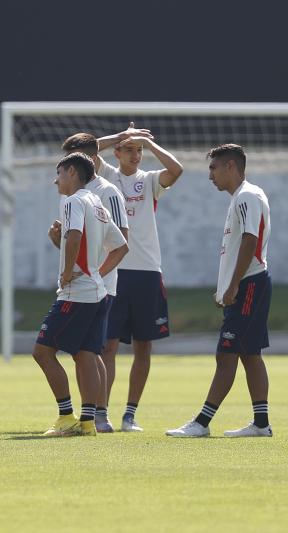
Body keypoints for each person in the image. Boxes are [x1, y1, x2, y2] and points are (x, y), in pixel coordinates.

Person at [167, 144, 272, 438]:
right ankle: (261, 424)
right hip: (249, 284)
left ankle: (201, 422)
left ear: (230, 166)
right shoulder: (242, 197)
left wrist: (235, 284)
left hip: (249, 284)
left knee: (226, 354)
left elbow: (250, 240)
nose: (210, 175)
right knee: (250, 354)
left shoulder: (247, 196)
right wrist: (226, 285)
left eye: (213, 168)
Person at [96, 123, 183, 431]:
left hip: (147, 272)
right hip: (115, 271)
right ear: (118, 153)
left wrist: (149, 142)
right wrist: (119, 136)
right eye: (129, 150)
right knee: (107, 346)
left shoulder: (149, 181)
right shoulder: (107, 176)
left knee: (143, 346)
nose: (135, 155)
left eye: (139, 151)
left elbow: (176, 170)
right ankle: (101, 413)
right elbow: (86, 149)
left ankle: (130, 415)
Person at [34, 153, 128, 437]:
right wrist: (97, 272)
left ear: (72, 172)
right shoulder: (97, 204)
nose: (56, 180)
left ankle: (65, 416)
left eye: (59, 173)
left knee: (42, 352)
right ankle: (88, 422)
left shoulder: (73, 201)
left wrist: (66, 274)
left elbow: (74, 236)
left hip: (76, 293)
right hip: (97, 291)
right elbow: (121, 246)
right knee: (86, 355)